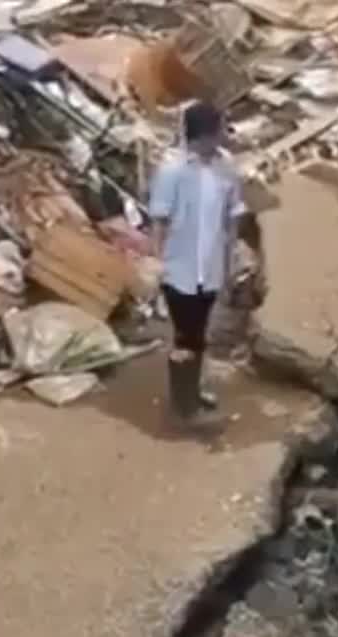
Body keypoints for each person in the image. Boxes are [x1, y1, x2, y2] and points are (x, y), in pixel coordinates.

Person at [148, 100, 246, 434]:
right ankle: (184, 404)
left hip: (211, 265)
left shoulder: (226, 166)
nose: (225, 135)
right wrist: (158, 263)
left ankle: (191, 392)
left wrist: (231, 257)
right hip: (180, 268)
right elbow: (160, 219)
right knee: (184, 336)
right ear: (204, 136)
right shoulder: (173, 170)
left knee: (199, 334)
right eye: (220, 129)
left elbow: (233, 214)